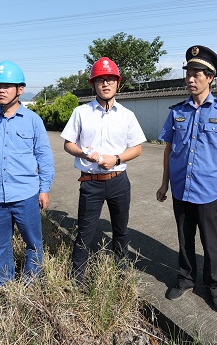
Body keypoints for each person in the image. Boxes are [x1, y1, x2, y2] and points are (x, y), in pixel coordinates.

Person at [156, 45, 217, 312]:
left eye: (197, 74)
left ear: (210, 78)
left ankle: (214, 287)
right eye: (188, 73)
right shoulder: (177, 111)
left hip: (210, 191)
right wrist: (164, 183)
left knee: (211, 242)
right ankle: (185, 279)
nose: (190, 79)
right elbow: (168, 149)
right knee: (184, 239)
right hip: (181, 188)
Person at [61, 57, 146, 284]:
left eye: (110, 79)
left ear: (118, 83)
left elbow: (137, 148)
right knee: (85, 231)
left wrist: (116, 158)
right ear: (93, 84)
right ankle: (76, 278)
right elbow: (68, 144)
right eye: (100, 80)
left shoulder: (127, 115)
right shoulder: (81, 112)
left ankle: (121, 273)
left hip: (118, 181)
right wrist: (83, 153)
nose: (105, 84)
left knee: (121, 230)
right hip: (91, 182)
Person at [0, 60, 55, 286]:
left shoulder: (33, 120)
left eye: (7, 86)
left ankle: (31, 282)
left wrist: (44, 189)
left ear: (20, 89)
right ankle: (5, 283)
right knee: (0, 244)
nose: (0, 90)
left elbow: (44, 157)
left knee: (33, 242)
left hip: (25, 194)